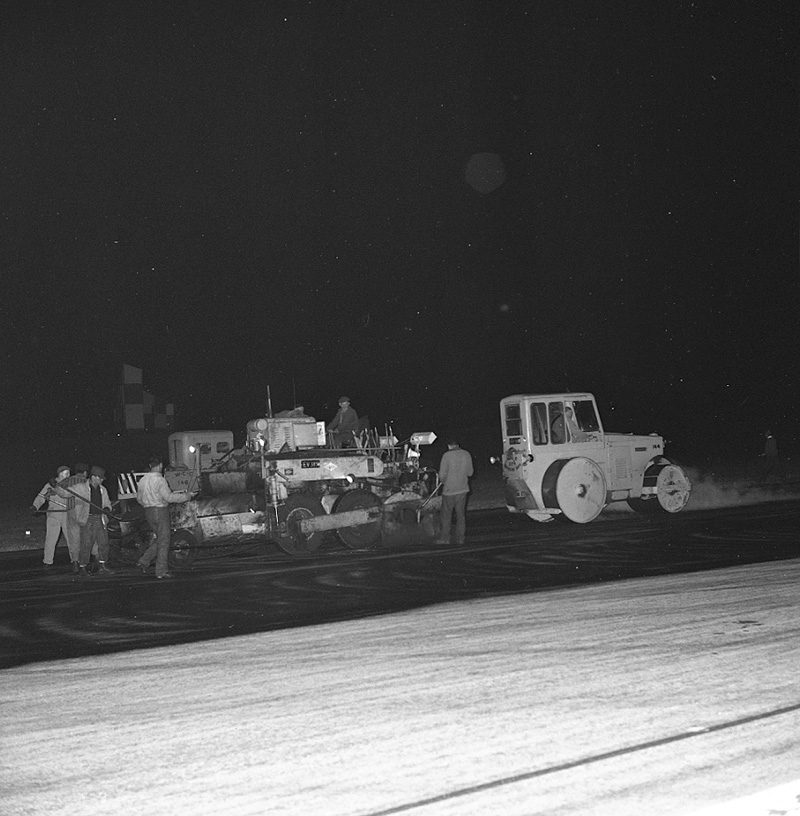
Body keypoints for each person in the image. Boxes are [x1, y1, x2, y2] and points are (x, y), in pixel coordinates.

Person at [135, 456, 194, 579]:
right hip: (160, 512)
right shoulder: (160, 480)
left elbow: (139, 499)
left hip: (148, 512)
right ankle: (161, 571)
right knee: (164, 542)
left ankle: (143, 561)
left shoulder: (143, 480)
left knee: (161, 539)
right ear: (160, 465)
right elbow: (169, 498)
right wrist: (187, 496)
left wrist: (148, 504)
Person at [31, 465, 74, 573]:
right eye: (65, 473)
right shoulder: (50, 484)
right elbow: (41, 496)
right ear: (59, 474)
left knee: (71, 538)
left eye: (69, 473)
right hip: (53, 514)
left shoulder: (71, 484)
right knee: (51, 538)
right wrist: (35, 506)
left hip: (67, 514)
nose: (67, 475)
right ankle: (47, 561)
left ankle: (75, 560)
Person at [72, 466, 114, 577]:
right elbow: (66, 494)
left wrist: (107, 509)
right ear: (94, 477)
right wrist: (57, 487)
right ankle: (83, 566)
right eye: (100, 478)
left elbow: (107, 503)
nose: (102, 480)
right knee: (86, 544)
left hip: (100, 519)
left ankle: (102, 565)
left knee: (103, 543)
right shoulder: (80, 488)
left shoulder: (102, 489)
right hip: (88, 519)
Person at [437, 438, 474, 545]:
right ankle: (460, 538)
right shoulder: (466, 454)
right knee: (460, 514)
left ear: (449, 446)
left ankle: (445, 538)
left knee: (446, 515)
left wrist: (444, 482)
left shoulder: (446, 456)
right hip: (462, 490)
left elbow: (442, 474)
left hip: (449, 490)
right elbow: (470, 473)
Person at [60, 463, 89, 573]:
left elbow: (57, 489)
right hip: (85, 510)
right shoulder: (87, 482)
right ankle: (91, 560)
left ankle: (75, 562)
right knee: (87, 536)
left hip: (72, 510)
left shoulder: (68, 480)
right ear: (85, 472)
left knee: (74, 537)